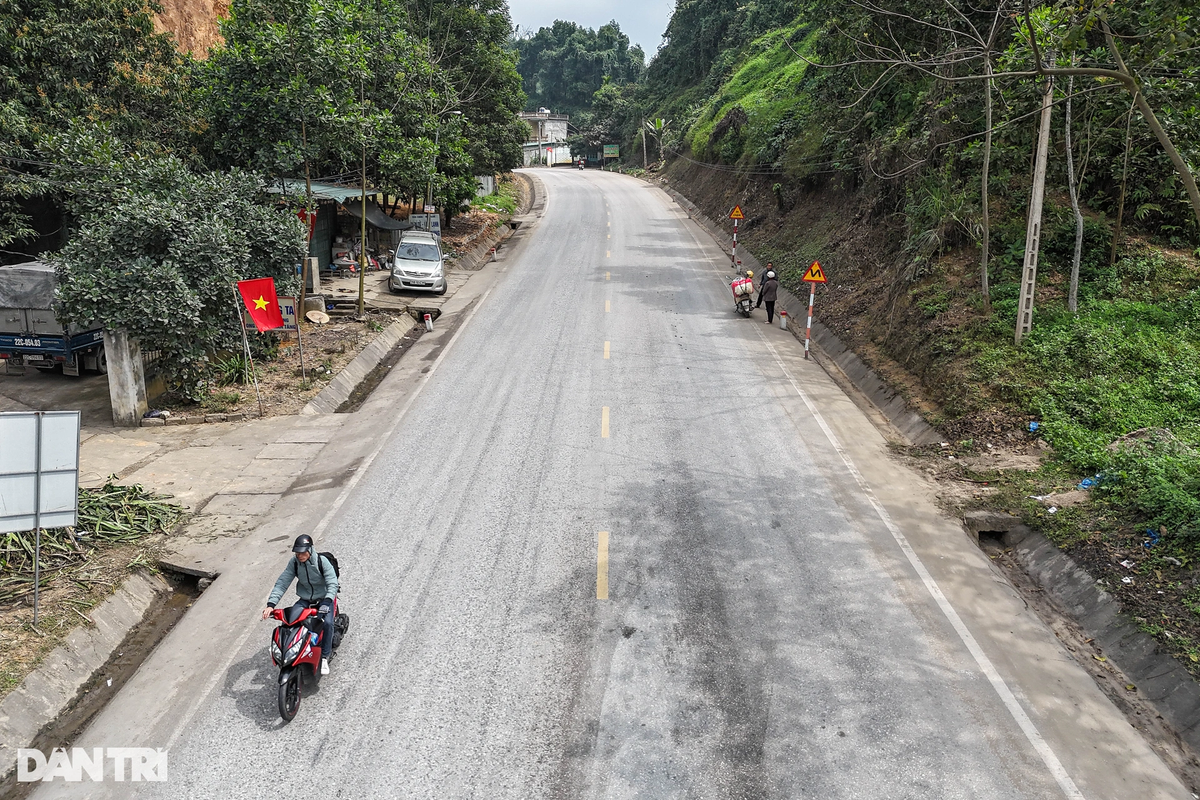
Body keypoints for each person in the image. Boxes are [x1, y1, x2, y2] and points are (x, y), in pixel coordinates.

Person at [262, 534, 339, 675]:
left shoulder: (322, 562)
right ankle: (288, 648)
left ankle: (324, 656)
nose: (300, 555)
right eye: (297, 552)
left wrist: (327, 601)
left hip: (324, 598)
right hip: (306, 599)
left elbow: (332, 582)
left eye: (303, 552)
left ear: (310, 549)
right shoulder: (294, 563)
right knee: (290, 620)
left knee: (327, 623)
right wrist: (271, 604)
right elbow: (282, 583)